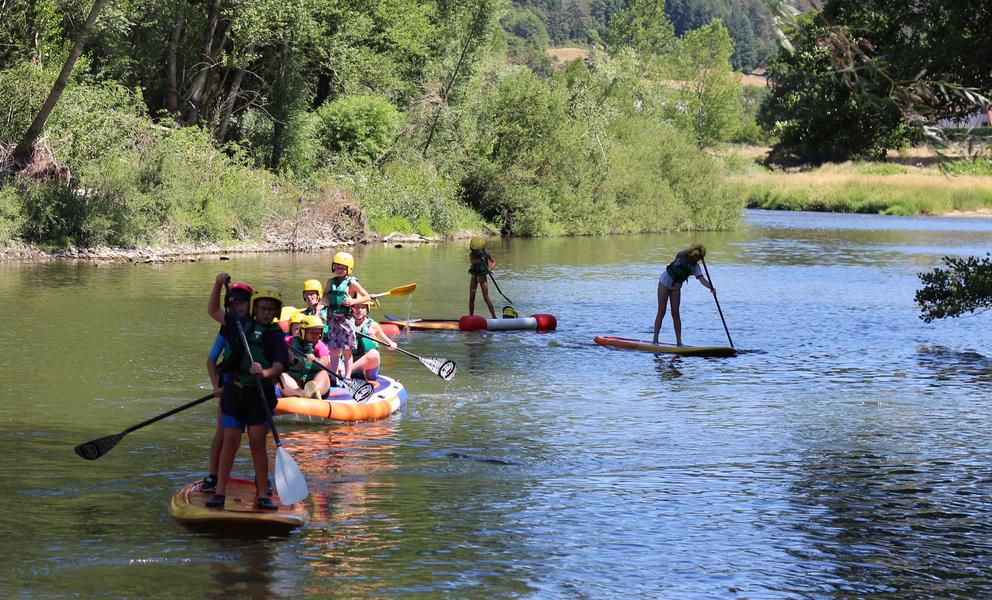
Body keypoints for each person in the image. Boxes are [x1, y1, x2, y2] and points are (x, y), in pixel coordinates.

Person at [206, 282, 288, 511]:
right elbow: (213, 311)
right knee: (230, 442)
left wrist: (265, 372)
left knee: (257, 443)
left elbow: (280, 365)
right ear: (254, 308)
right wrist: (217, 285)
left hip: (258, 396)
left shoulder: (275, 334)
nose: (266, 313)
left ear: (277, 313)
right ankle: (219, 492)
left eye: (271, 310)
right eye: (262, 308)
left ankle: (262, 494)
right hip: (234, 392)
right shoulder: (239, 325)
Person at [203, 279, 253, 494]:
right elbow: (211, 360)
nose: (238, 305)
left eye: (242, 301)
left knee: (256, 435)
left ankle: (262, 481)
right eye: (234, 302)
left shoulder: (259, 324)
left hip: (252, 387)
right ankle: (214, 477)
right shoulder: (227, 328)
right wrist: (216, 386)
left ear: (250, 303)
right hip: (228, 387)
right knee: (223, 433)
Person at [321, 251, 372, 379]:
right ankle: (333, 376)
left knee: (347, 350)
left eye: (342, 268)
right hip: (332, 319)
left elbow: (367, 297)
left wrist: (353, 301)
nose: (339, 270)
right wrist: (325, 300)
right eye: (337, 267)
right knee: (333, 351)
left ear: (348, 269)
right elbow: (325, 295)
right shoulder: (330, 282)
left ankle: (347, 377)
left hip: (346, 320)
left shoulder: (352, 283)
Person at [653, 244, 715, 347]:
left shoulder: (696, 267)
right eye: (698, 256)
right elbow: (678, 254)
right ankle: (655, 340)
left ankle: (679, 342)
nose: (698, 259)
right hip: (664, 283)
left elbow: (702, 280)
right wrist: (692, 249)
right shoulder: (683, 257)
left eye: (700, 258)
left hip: (676, 287)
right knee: (662, 311)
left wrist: (711, 287)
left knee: (676, 313)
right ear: (692, 253)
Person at [280, 314, 332, 398]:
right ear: (302, 331)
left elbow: (325, 362)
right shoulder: (288, 341)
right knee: (281, 374)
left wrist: (315, 360)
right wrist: (289, 355)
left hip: (312, 380)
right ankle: (301, 393)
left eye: (318, 332)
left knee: (323, 373)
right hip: (295, 383)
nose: (315, 335)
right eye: (311, 332)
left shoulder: (319, 345)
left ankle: (313, 392)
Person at [350, 301, 398, 380]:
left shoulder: (373, 325)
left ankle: (346, 373)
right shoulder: (345, 324)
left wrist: (392, 345)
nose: (360, 310)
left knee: (374, 353)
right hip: (351, 360)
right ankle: (347, 372)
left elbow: (388, 342)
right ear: (351, 309)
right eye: (356, 307)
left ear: (367, 310)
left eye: (363, 307)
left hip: (368, 364)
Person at [468, 236, 497, 318]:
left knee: (486, 297)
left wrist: (490, 268)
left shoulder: (486, 254)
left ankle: (494, 317)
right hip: (474, 277)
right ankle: (471, 317)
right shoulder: (471, 255)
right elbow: (473, 262)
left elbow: (494, 262)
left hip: (482, 277)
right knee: (471, 297)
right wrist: (478, 261)